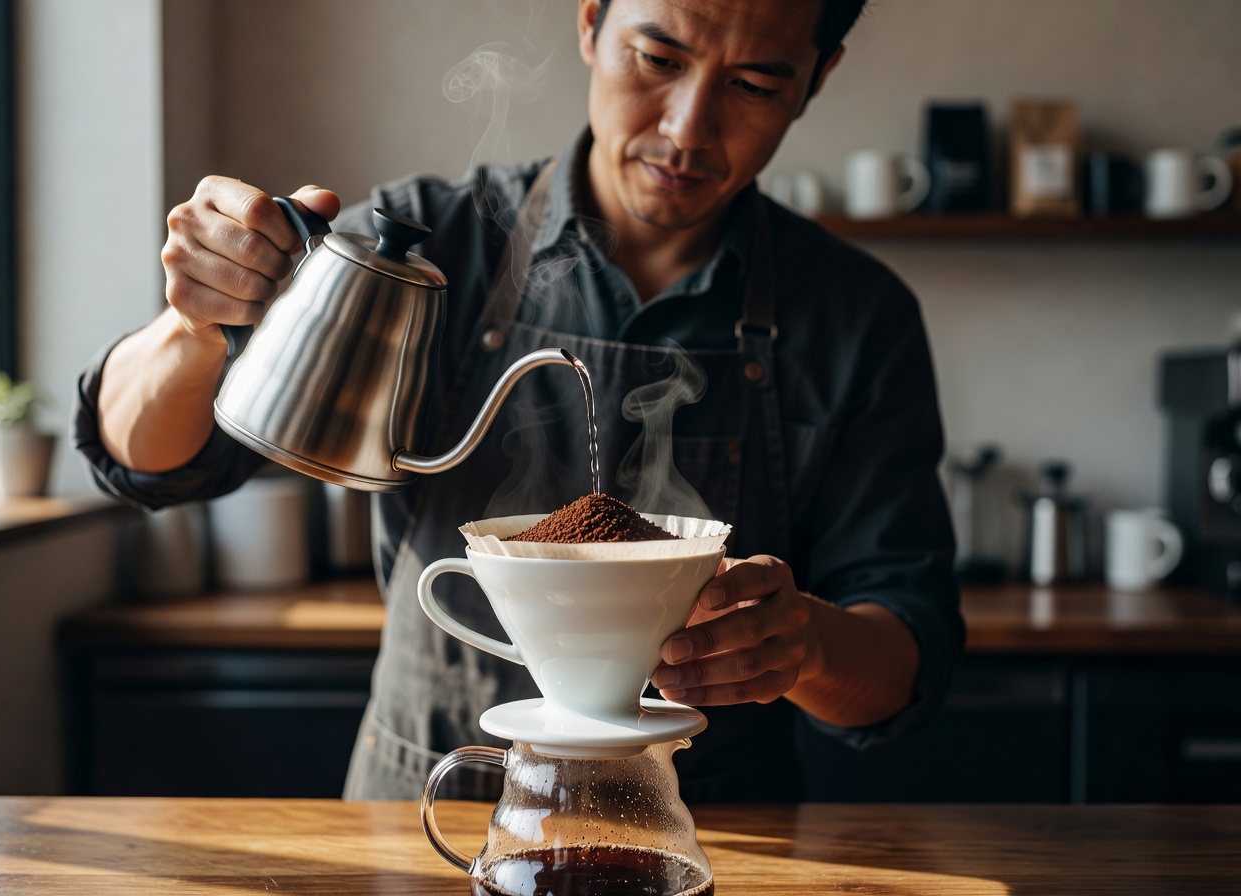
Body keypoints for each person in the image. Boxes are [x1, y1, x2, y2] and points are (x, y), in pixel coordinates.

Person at [74, 0, 964, 801]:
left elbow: (904, 659)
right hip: (428, 808)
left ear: (817, 80)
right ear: (590, 23)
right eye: (657, 60)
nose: (689, 129)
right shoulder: (433, 246)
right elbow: (152, 462)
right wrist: (195, 329)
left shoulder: (856, 319)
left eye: (756, 83)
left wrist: (802, 644)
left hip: (705, 828)